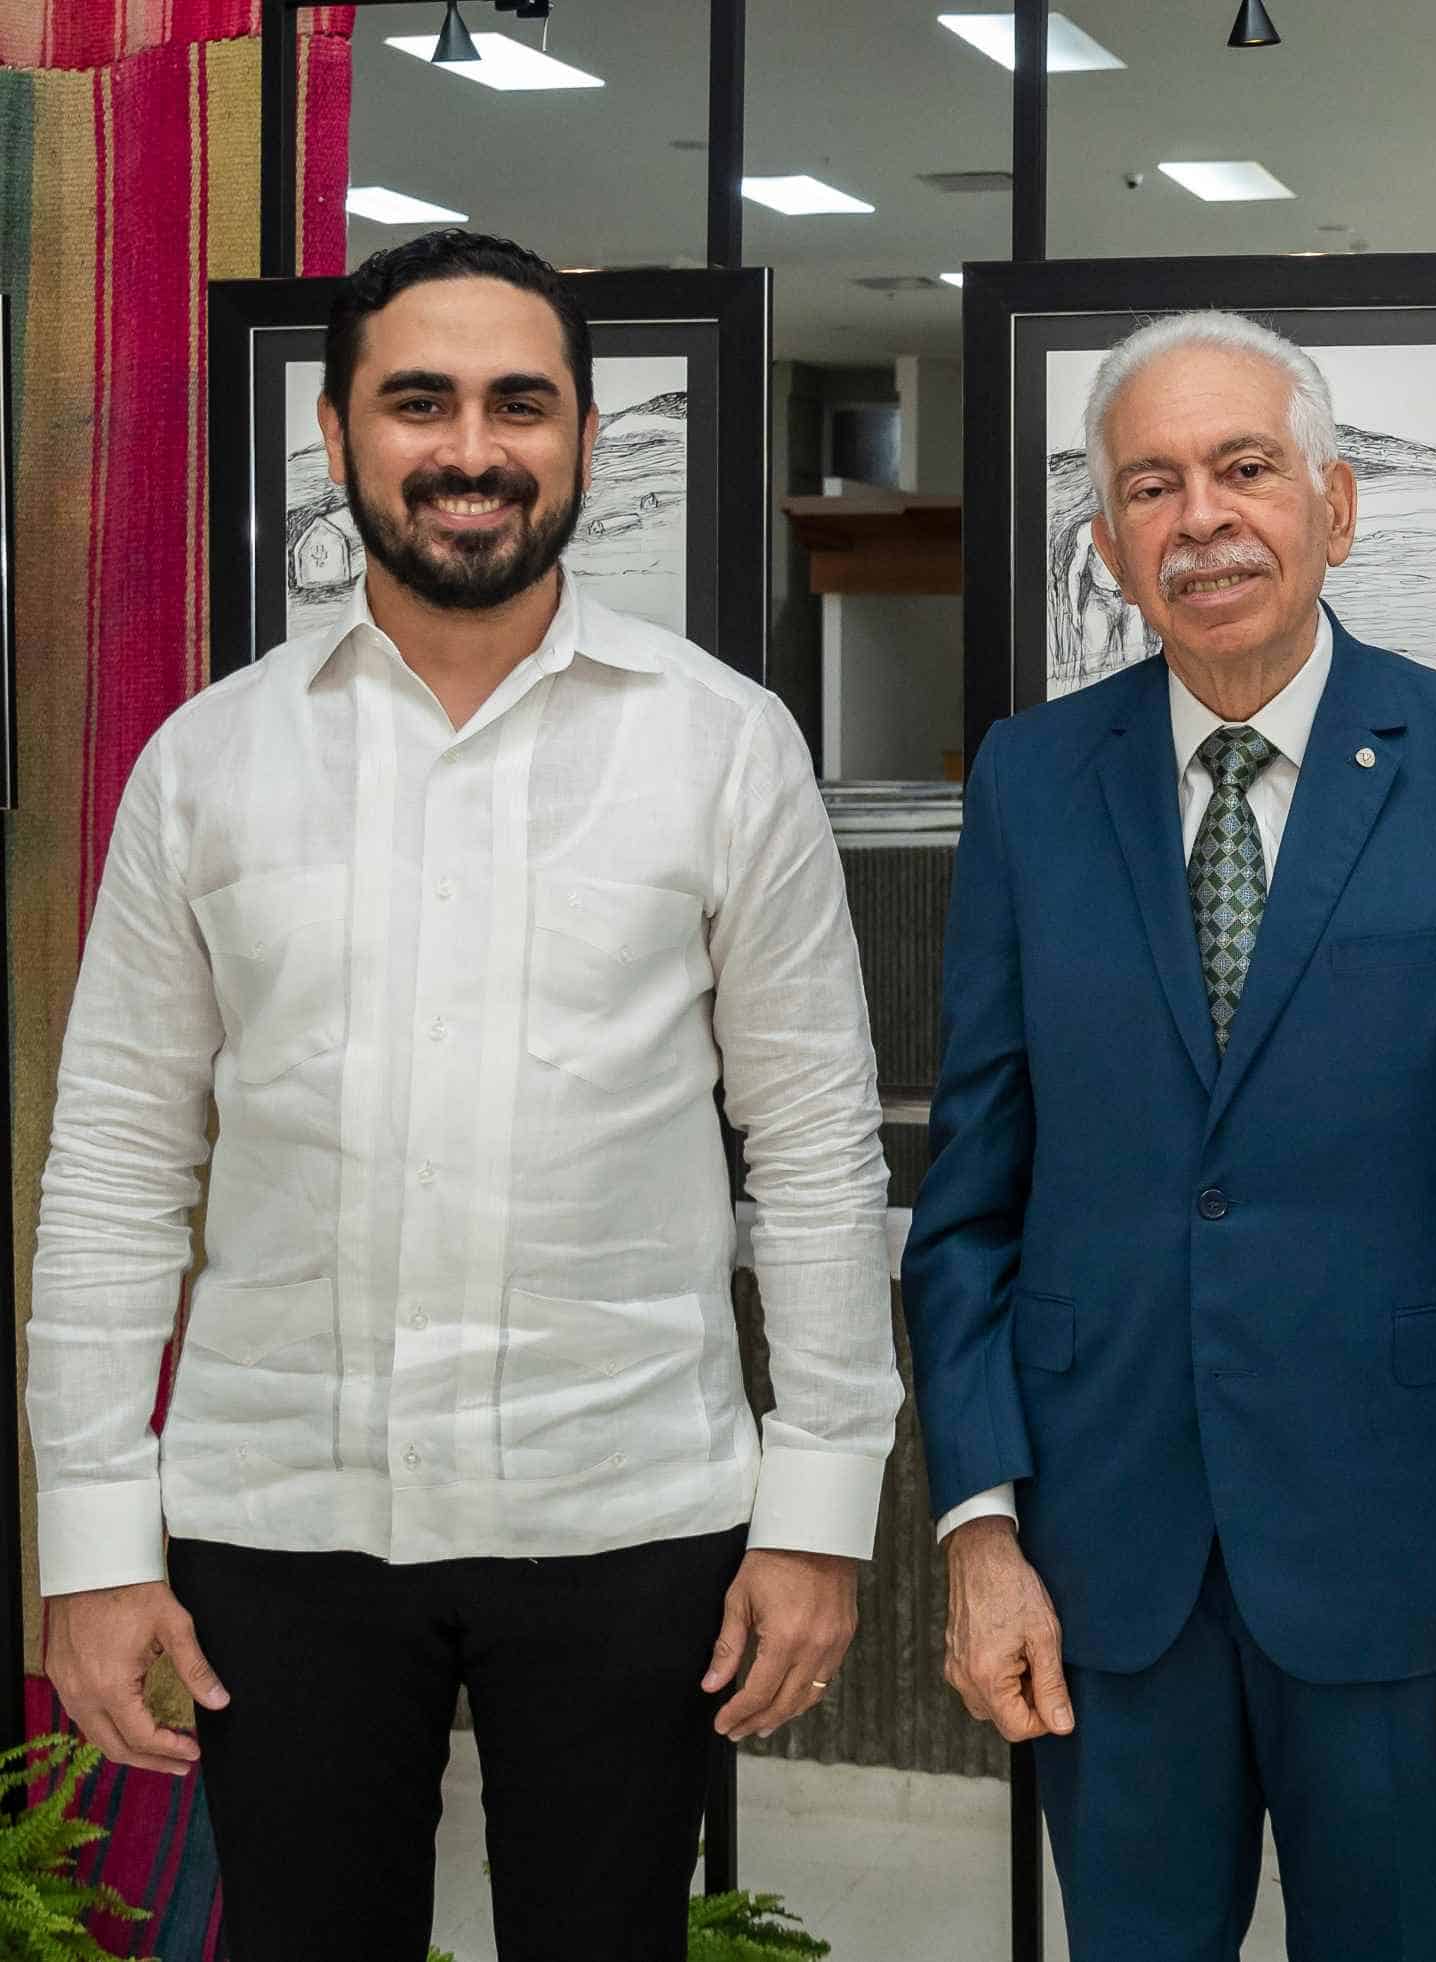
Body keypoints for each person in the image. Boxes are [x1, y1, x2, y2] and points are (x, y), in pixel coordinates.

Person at [26, 231, 900, 1962]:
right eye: (418, 401)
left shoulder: (726, 748)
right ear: (339, 439)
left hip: (630, 1514)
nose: (471, 446)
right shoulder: (206, 763)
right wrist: (94, 1536)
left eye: (522, 401)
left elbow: (813, 1150)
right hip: (278, 1520)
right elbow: (118, 1164)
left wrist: (819, 1510)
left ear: (584, 436)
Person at [904, 310, 1436, 1959]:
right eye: (1152, 487)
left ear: (1338, 504)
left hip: (1404, 1559)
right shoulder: (1031, 781)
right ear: (1108, 543)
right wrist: (981, 1524)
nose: (1202, 517)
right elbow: (973, 1197)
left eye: (1245, 468)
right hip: (1106, 1563)